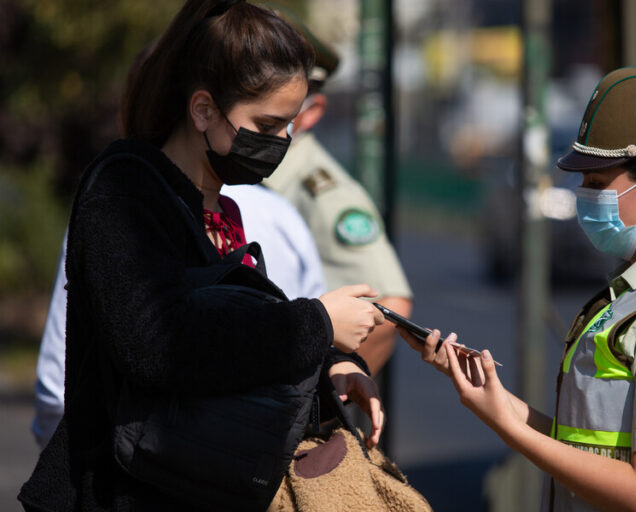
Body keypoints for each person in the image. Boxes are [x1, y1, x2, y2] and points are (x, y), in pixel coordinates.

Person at [18, 1, 385, 510]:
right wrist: (318, 324)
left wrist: (332, 366)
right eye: (268, 123)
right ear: (204, 110)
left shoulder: (222, 207)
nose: (283, 140)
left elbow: (233, 338)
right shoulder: (125, 188)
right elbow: (159, 344)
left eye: (289, 124)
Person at [402, 67, 636, 511]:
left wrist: (510, 429)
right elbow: (592, 448)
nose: (582, 194)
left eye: (596, 183)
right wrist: (494, 403)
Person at [31, 185, 325, 449]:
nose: (278, 143)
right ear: (201, 119)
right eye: (265, 126)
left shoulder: (246, 211)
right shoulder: (122, 202)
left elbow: (56, 391)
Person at [260, 9, 412, 376]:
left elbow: (392, 306)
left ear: (310, 113)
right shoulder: (257, 180)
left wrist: (326, 404)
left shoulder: (324, 195)